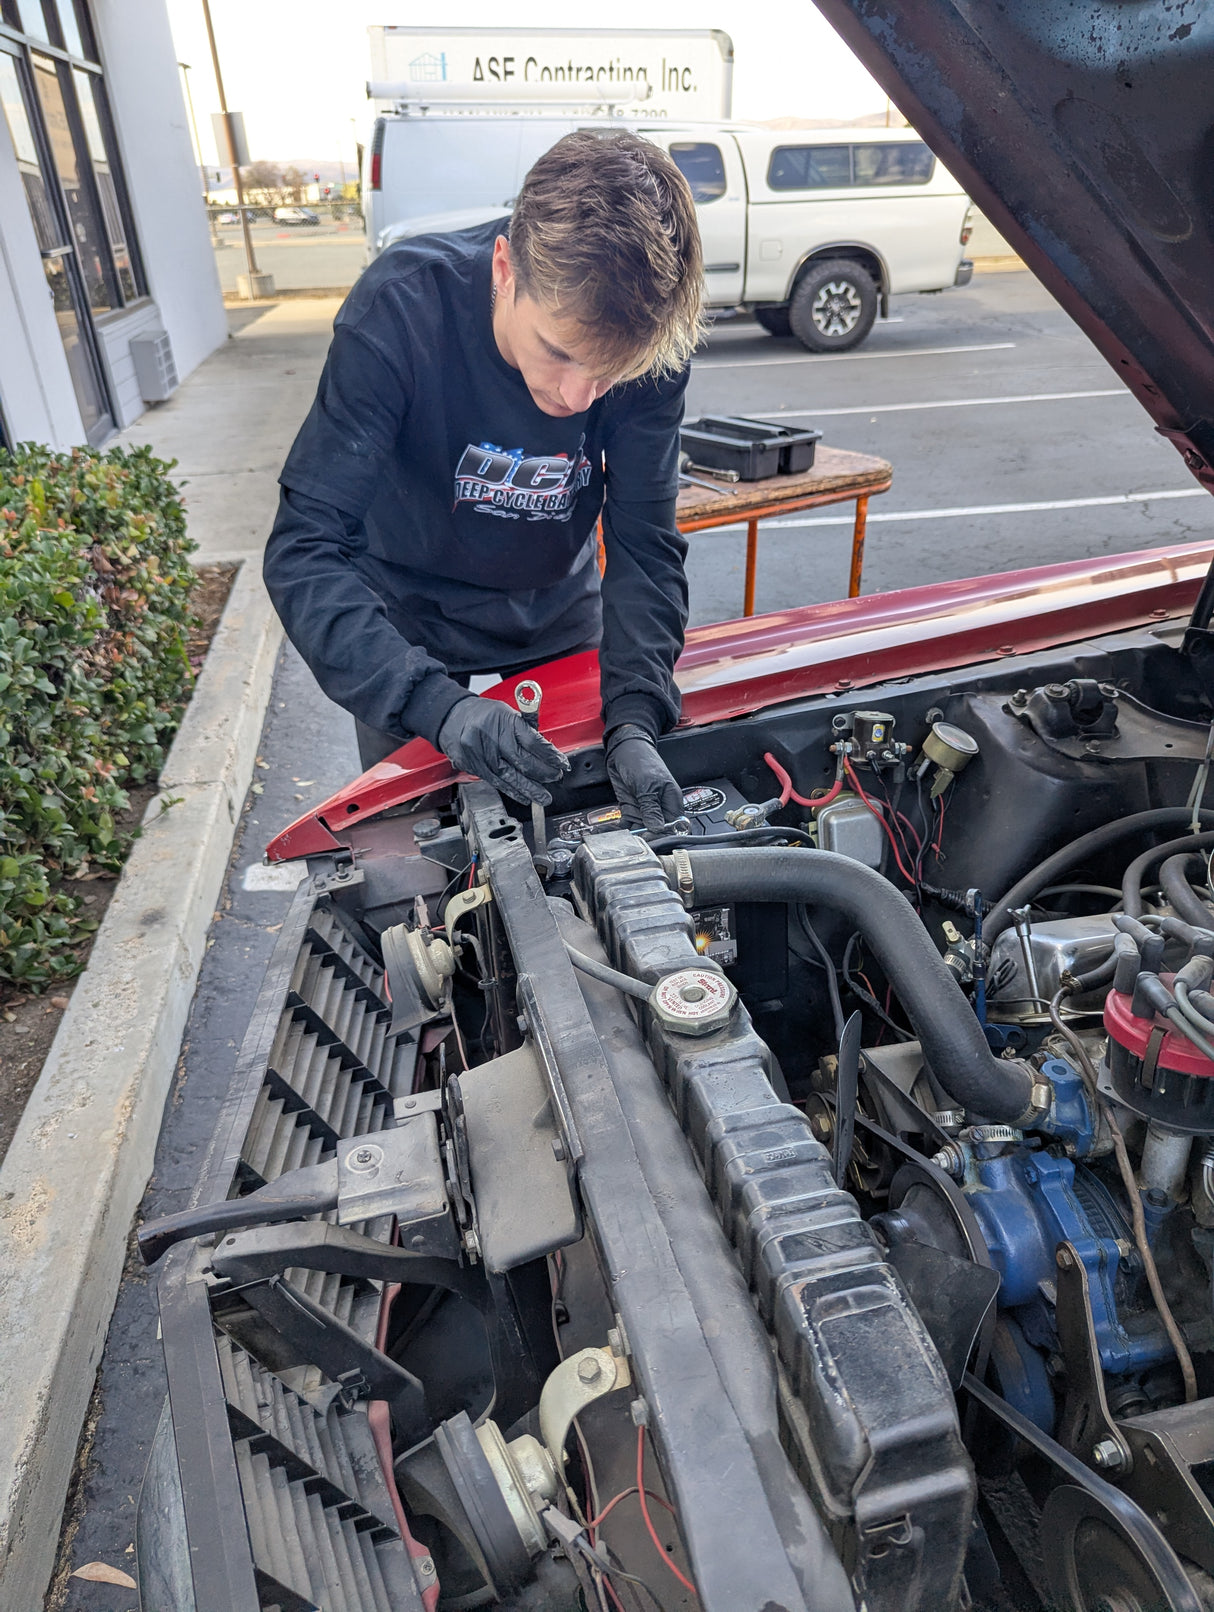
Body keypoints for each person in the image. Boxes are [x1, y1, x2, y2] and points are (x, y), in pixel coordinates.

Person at [262, 129, 703, 829]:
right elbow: (303, 550)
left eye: (608, 370)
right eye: (557, 352)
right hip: (409, 620)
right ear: (504, 268)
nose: (579, 397)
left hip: (557, 612)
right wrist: (434, 706)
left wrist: (636, 716)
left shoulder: (651, 347)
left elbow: (645, 544)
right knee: (418, 858)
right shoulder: (402, 311)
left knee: (579, 834)